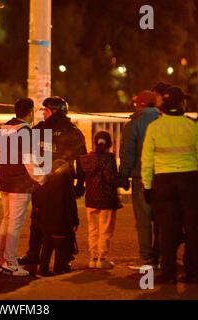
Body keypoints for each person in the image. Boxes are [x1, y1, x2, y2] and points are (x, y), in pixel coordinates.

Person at [141, 86, 198, 284]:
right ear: (181, 103)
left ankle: (169, 273)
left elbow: (146, 161)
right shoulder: (192, 125)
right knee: (193, 230)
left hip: (164, 183)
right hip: (189, 181)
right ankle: (192, 273)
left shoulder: (155, 127)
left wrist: (147, 186)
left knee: (168, 231)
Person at [19, 96, 87, 269]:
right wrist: (80, 184)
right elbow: (82, 161)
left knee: (38, 218)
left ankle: (35, 254)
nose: (43, 113)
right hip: (64, 184)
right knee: (64, 220)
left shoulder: (38, 130)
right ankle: (63, 259)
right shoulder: (73, 131)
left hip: (41, 182)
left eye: (46, 110)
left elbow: (27, 157)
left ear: (55, 111)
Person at [0, 98, 45, 276]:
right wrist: (41, 178)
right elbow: (29, 160)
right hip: (19, 183)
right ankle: (10, 263)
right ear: (30, 112)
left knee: (6, 220)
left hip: (4, 180)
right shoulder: (26, 131)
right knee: (14, 223)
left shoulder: (6, 128)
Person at [119, 90, 160, 270]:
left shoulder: (134, 124)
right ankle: (161, 257)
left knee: (143, 220)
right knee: (161, 219)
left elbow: (127, 153)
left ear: (140, 104)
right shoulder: (162, 120)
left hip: (141, 177)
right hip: (163, 175)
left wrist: (123, 176)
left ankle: (146, 259)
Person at [81, 131, 122, 269]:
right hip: (107, 200)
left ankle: (93, 258)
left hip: (91, 199)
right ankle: (102, 258)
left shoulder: (87, 159)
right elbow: (111, 179)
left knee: (93, 230)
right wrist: (122, 182)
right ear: (109, 144)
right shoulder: (109, 159)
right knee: (105, 230)